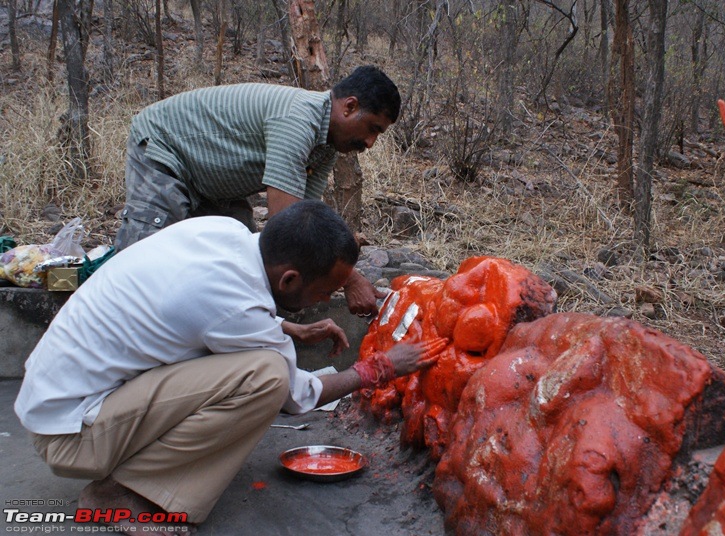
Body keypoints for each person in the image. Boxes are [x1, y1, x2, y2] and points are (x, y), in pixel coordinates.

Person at [15, 200, 444, 535]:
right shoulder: (236, 308)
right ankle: (121, 493)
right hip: (71, 436)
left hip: (57, 399)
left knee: (262, 362)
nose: (323, 300)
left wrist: (287, 326)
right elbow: (297, 396)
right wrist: (379, 368)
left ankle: (135, 477)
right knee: (267, 377)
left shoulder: (225, 232)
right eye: (324, 290)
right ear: (290, 280)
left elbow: (206, 310)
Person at [114, 65, 402, 316]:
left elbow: (306, 220)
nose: (370, 143)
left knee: (239, 269)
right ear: (349, 106)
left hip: (215, 182)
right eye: (372, 129)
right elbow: (288, 227)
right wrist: (349, 279)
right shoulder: (297, 120)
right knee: (142, 265)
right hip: (166, 147)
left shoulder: (325, 146)